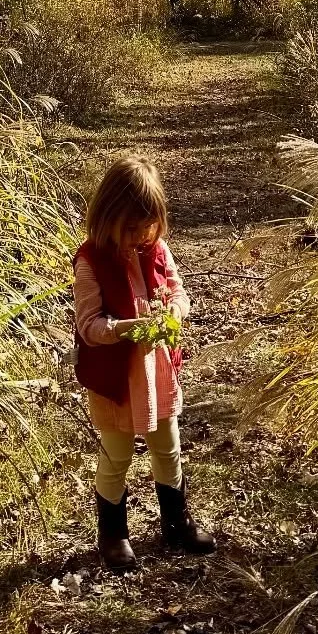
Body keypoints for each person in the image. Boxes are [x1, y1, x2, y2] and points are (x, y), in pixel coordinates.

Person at [73, 155, 215, 571]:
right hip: (117, 379)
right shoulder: (91, 261)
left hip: (157, 371)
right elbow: (89, 326)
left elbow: (178, 292)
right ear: (108, 217)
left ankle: (176, 522)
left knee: (167, 449)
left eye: (147, 227)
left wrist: (172, 313)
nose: (139, 236)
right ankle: (113, 533)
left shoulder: (157, 249)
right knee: (117, 455)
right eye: (130, 228)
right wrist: (129, 328)